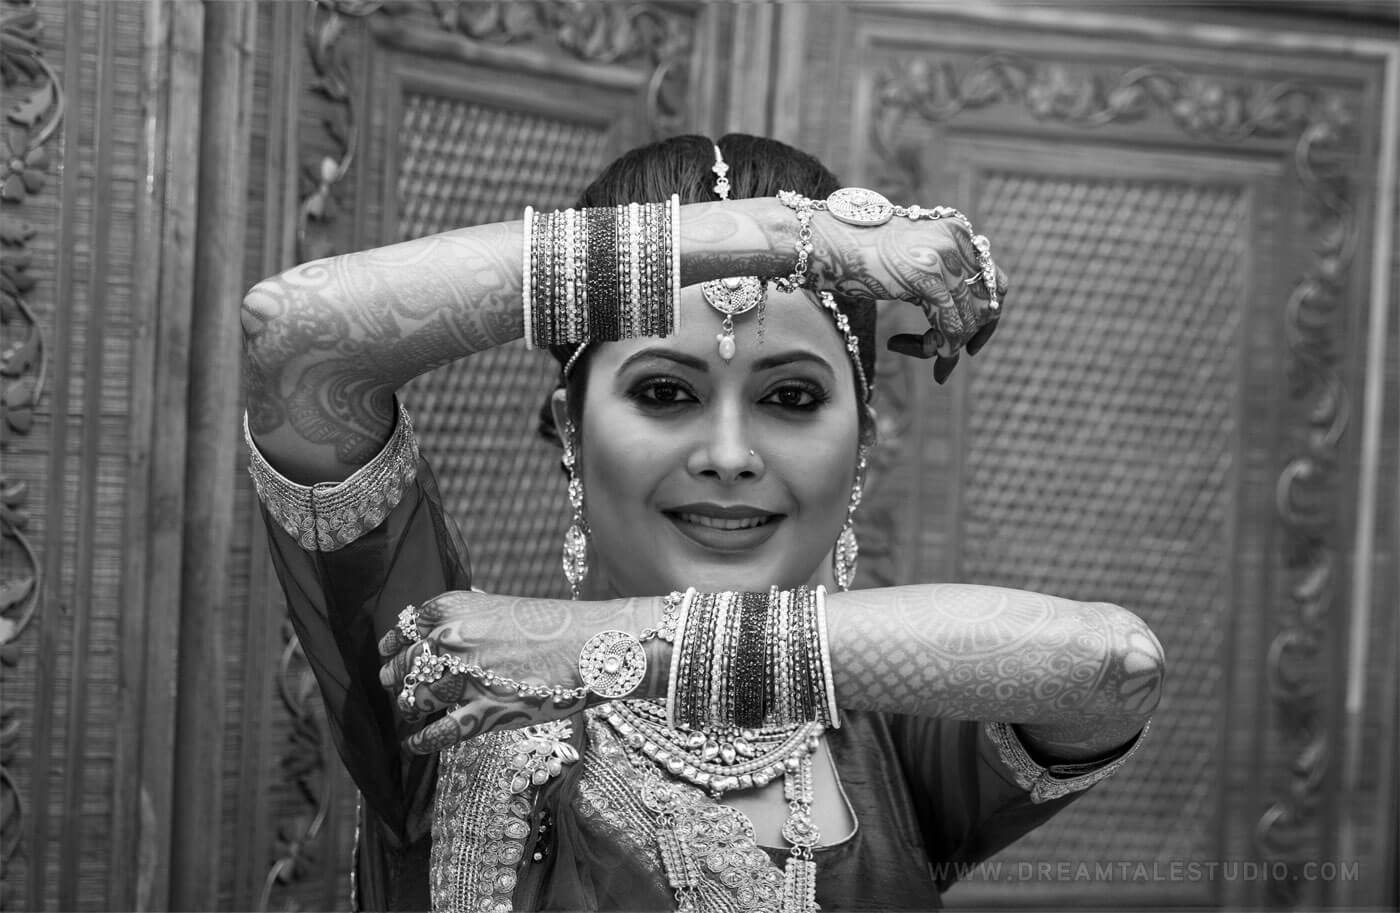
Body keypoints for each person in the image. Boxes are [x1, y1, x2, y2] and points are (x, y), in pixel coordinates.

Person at [241, 134, 1164, 912]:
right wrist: (791, 236)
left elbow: (1115, 664)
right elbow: (297, 332)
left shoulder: (891, 741)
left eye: (791, 396)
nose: (729, 453)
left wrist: (612, 648)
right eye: (664, 391)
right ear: (571, 428)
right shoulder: (460, 690)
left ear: (863, 441)